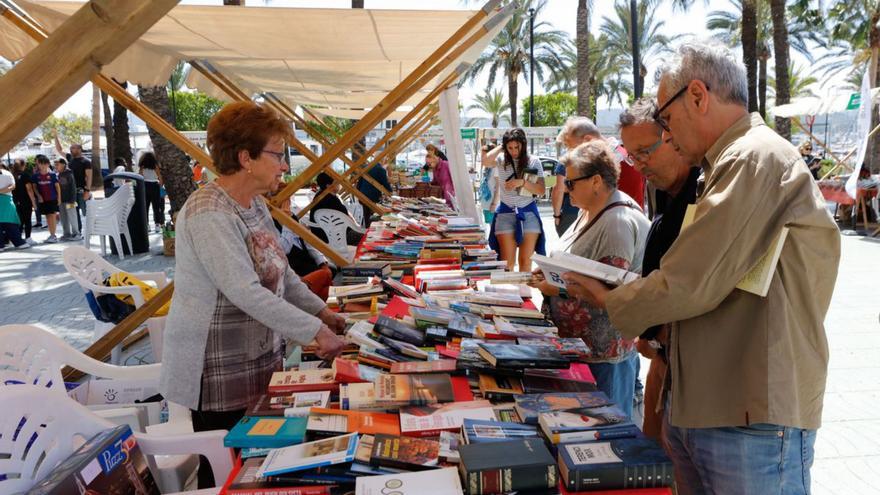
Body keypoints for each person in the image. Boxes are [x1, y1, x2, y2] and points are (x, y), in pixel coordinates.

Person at [563, 42, 840, 495]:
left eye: (667, 120)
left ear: (697, 95)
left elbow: (688, 281)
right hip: (718, 407)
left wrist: (609, 298)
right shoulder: (727, 164)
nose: (667, 135)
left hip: (748, 415)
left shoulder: (752, 158)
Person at [158, 101, 346, 488]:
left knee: (260, 461)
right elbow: (244, 291)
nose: (284, 165)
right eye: (278, 154)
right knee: (232, 469)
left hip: (258, 359)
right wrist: (314, 332)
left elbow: (284, 275)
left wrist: (324, 314)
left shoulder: (255, 204)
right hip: (217, 370)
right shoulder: (209, 212)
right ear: (246, 157)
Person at [530, 140, 648, 418]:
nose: (565, 188)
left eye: (571, 182)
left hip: (604, 357)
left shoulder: (616, 222)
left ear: (596, 181)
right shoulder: (591, 211)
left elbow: (611, 294)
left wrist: (554, 288)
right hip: (585, 350)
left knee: (606, 429)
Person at [618, 97, 701, 441]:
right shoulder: (665, 189)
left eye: (645, 152)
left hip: (691, 372)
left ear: (674, 138)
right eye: (631, 156)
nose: (638, 165)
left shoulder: (702, 193)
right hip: (663, 361)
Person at [555, 117, 647, 219]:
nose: (572, 155)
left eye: (574, 149)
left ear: (588, 140)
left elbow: (625, 214)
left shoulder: (620, 163)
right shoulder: (614, 158)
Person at [482, 128, 546, 272]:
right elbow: (485, 161)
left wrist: (522, 183)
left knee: (525, 263)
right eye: (510, 147)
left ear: (523, 144)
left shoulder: (534, 161)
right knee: (507, 264)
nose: (513, 151)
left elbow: (541, 190)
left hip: (528, 212)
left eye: (516, 147)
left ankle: (524, 293)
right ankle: (511, 293)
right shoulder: (501, 160)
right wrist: (502, 146)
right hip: (505, 212)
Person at [272, 191, 334, 301]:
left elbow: (307, 242)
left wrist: (322, 263)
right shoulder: (270, 222)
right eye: (286, 199)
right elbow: (283, 249)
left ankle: (318, 305)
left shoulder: (292, 216)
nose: (289, 202)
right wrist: (287, 222)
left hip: (307, 265)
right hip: (295, 271)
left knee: (328, 288)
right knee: (325, 279)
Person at [308, 172, 362, 245]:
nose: (339, 184)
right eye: (337, 182)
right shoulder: (330, 199)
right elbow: (346, 217)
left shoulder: (321, 195)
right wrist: (356, 227)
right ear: (328, 185)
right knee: (366, 237)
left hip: (323, 235)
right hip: (334, 237)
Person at [55, 136, 92, 231]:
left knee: (87, 212)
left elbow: (89, 177)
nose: (71, 150)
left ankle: (91, 231)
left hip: (81, 191)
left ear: (80, 149)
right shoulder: (70, 158)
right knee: (74, 212)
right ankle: (78, 232)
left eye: (73, 148)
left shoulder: (86, 161)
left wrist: (87, 190)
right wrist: (56, 136)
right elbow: (59, 150)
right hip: (72, 193)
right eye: (71, 148)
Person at [0, 164, 30, 250]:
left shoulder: (7, 173)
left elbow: (12, 186)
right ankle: (19, 242)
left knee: (9, 223)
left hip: (6, 201)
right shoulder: (8, 173)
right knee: (10, 223)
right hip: (7, 200)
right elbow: (12, 186)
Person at [356, 158, 393, 228]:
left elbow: (359, 182)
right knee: (373, 214)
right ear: (383, 160)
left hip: (363, 194)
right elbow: (385, 183)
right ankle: (371, 228)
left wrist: (359, 193)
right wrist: (390, 191)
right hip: (373, 196)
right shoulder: (381, 169)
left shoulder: (365, 167)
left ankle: (367, 227)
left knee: (366, 213)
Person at [31, 155, 59, 243]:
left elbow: (58, 188)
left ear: (48, 164)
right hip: (43, 200)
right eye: (40, 164)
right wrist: (39, 196)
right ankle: (51, 234)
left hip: (52, 198)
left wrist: (59, 198)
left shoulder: (53, 175)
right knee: (47, 217)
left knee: (53, 216)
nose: (42, 166)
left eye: (44, 164)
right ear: (38, 164)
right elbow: (34, 187)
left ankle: (53, 235)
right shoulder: (36, 176)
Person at [138, 151, 166, 232]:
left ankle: (147, 225)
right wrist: (161, 186)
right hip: (155, 186)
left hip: (145, 186)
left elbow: (140, 176)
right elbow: (160, 176)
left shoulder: (142, 167)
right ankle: (157, 224)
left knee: (146, 207)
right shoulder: (155, 166)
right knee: (156, 207)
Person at [11, 159, 36, 245]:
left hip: (15, 201)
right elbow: (29, 189)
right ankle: (28, 237)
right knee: (27, 220)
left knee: (19, 221)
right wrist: (33, 202)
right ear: (23, 165)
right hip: (25, 200)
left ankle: (18, 239)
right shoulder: (25, 175)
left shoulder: (12, 175)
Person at [55, 158, 81, 241]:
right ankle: (66, 233)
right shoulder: (57, 175)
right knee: (63, 218)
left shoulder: (69, 174)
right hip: (61, 200)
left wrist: (73, 199)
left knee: (72, 217)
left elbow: (73, 187)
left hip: (70, 199)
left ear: (63, 164)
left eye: (57, 164)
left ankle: (76, 233)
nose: (56, 166)